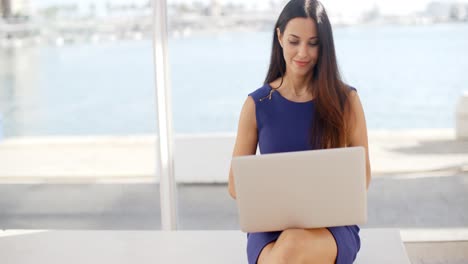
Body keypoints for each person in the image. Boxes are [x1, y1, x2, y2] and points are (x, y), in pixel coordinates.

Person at [227, 0, 371, 263]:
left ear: (323, 45)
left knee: (290, 248)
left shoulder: (346, 100)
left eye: (313, 43)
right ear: (280, 37)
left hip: (333, 226)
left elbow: (363, 177)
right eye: (294, 41)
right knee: (289, 247)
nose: (303, 53)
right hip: (269, 228)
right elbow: (236, 185)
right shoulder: (257, 105)